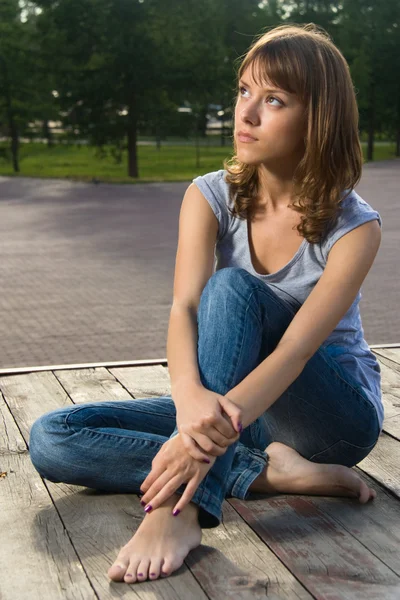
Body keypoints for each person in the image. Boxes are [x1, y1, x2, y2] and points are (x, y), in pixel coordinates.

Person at [29, 22, 383, 584]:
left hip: (330, 417)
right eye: (244, 91)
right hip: (243, 419)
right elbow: (183, 310)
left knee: (233, 288)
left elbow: (294, 351)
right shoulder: (209, 195)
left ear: (319, 118)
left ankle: (182, 510)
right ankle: (263, 474)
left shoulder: (355, 227)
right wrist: (189, 398)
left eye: (274, 99)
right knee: (54, 437)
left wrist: (194, 442)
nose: (246, 113)